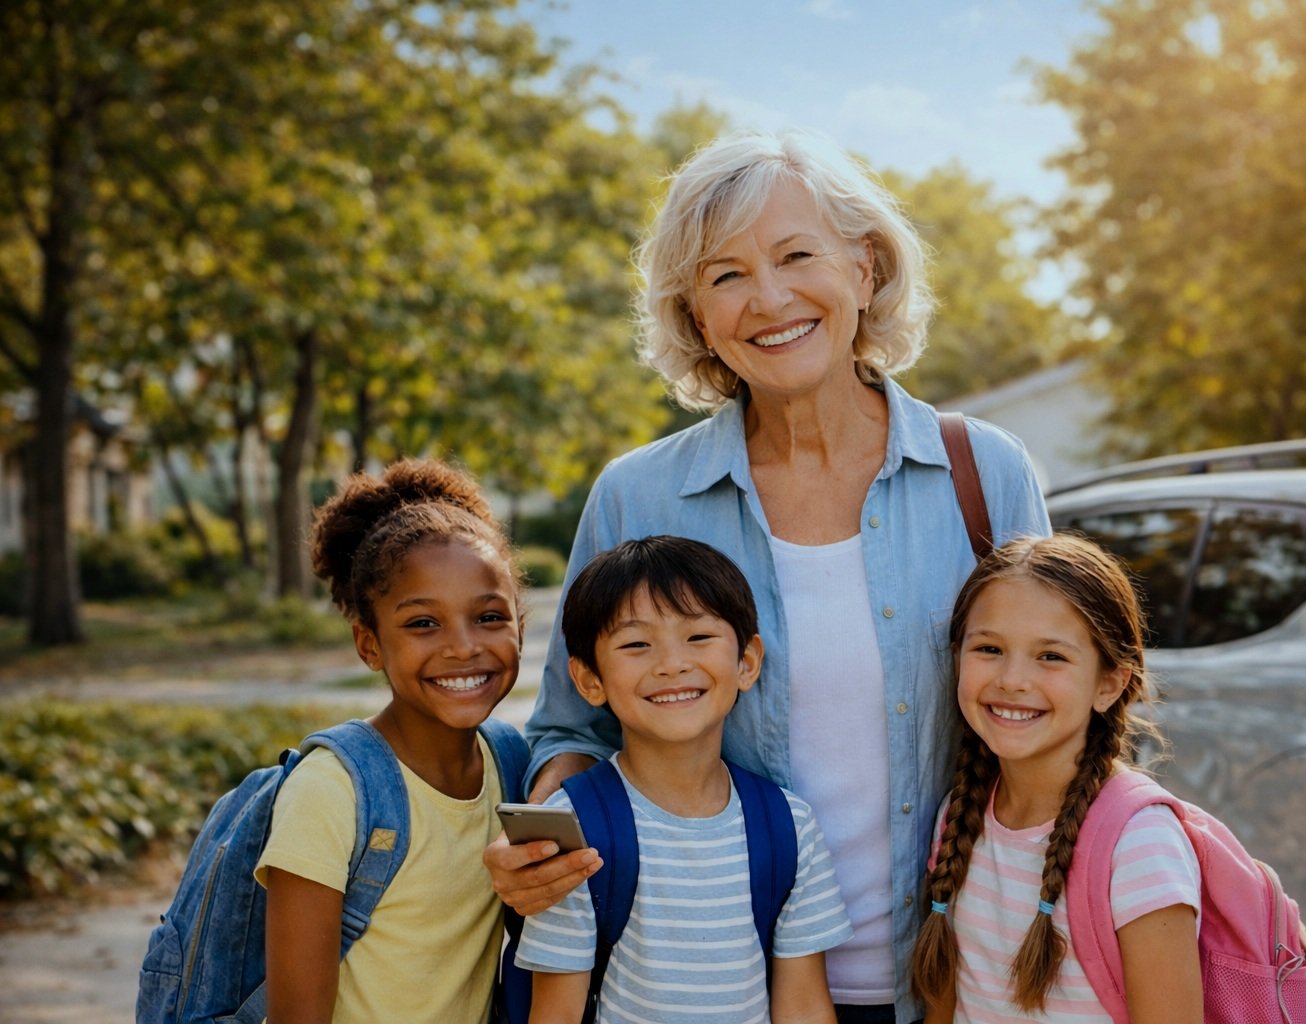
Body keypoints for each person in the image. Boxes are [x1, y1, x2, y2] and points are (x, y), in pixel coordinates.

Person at [484, 127, 1051, 1024]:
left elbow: (1065, 717)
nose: (770, 298)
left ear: (863, 269)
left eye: (797, 256)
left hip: (964, 984)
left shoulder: (985, 475)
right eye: (727, 275)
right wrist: (546, 847)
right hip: (714, 992)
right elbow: (572, 726)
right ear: (696, 316)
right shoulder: (639, 497)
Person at [513, 535, 853, 1022]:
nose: (672, 664)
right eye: (636, 644)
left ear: (747, 662)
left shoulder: (789, 827)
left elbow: (804, 1008)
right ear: (589, 680)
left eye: (698, 637)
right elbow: (556, 1015)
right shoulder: (573, 828)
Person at [257, 458, 526, 1023]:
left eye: (489, 617)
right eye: (423, 623)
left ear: (520, 624)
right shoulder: (331, 791)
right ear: (369, 645)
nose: (463, 647)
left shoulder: (511, 763)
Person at [911, 534, 1202, 1023]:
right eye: (989, 648)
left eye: (1051, 656)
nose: (1012, 680)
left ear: (1109, 684)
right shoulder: (958, 817)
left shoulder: (1139, 845)